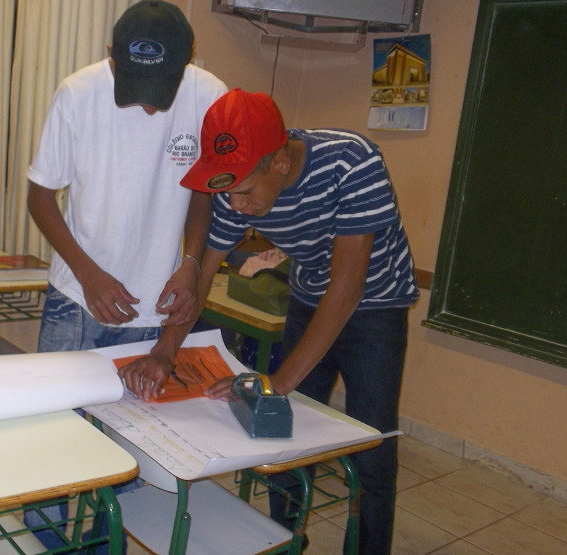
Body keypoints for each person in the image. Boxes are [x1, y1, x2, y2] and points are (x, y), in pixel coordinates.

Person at [118, 88, 419, 554]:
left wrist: (280, 381)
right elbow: (202, 275)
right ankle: (288, 543)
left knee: (372, 444)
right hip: (309, 296)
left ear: (279, 162)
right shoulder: (237, 186)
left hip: (375, 305)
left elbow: (347, 288)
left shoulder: (352, 163)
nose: (236, 206)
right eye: (228, 192)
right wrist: (164, 351)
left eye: (244, 191)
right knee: (285, 431)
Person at [24, 0, 227, 549]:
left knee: (126, 445)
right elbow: (41, 197)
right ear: (110, 57)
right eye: (133, 82)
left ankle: (96, 543)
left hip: (155, 304)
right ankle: (44, 543)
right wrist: (89, 274)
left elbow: (204, 195)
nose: (148, 106)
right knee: (54, 433)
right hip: (77, 299)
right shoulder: (78, 92)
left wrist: (189, 266)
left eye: (161, 86)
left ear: (188, 64)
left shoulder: (211, 96)